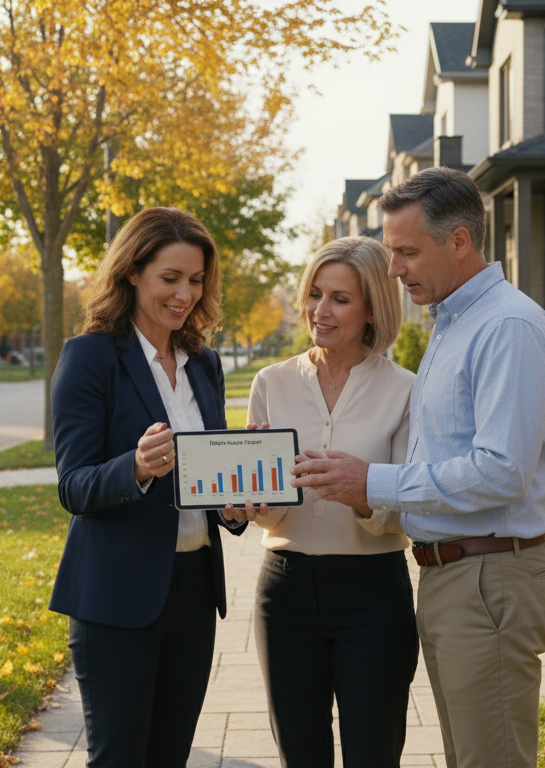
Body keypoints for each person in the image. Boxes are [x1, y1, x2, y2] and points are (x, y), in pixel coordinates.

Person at [289, 167, 545, 768]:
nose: (394, 269)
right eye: (392, 252)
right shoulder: (454, 324)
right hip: (454, 577)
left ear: (460, 241)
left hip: (491, 577)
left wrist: (371, 481)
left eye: (407, 252)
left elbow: (501, 471)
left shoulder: (507, 327)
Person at [47, 207, 247, 768]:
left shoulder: (203, 363)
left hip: (192, 592)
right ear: (132, 272)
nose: (185, 293)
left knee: (170, 757)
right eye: (170, 278)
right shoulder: (89, 357)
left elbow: (212, 473)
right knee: (119, 759)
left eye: (196, 279)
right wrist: (134, 468)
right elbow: (73, 486)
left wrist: (235, 504)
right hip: (116, 595)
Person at [234, 237, 417, 768]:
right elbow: (264, 502)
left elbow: (410, 503)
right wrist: (251, 501)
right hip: (284, 591)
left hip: (373, 596)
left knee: (373, 755)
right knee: (300, 755)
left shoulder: (406, 390)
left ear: (372, 309)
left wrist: (361, 493)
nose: (320, 310)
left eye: (339, 298)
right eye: (314, 293)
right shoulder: (272, 382)